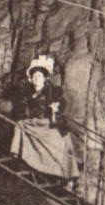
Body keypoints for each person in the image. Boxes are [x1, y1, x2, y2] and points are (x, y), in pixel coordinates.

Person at [9, 55, 79, 184]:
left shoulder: (51, 91)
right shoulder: (27, 94)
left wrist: (55, 107)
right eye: (35, 77)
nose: (37, 79)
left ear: (44, 79)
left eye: (39, 77)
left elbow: (62, 103)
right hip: (33, 123)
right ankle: (17, 154)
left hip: (46, 124)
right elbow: (21, 110)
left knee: (59, 140)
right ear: (31, 79)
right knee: (20, 125)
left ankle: (62, 172)